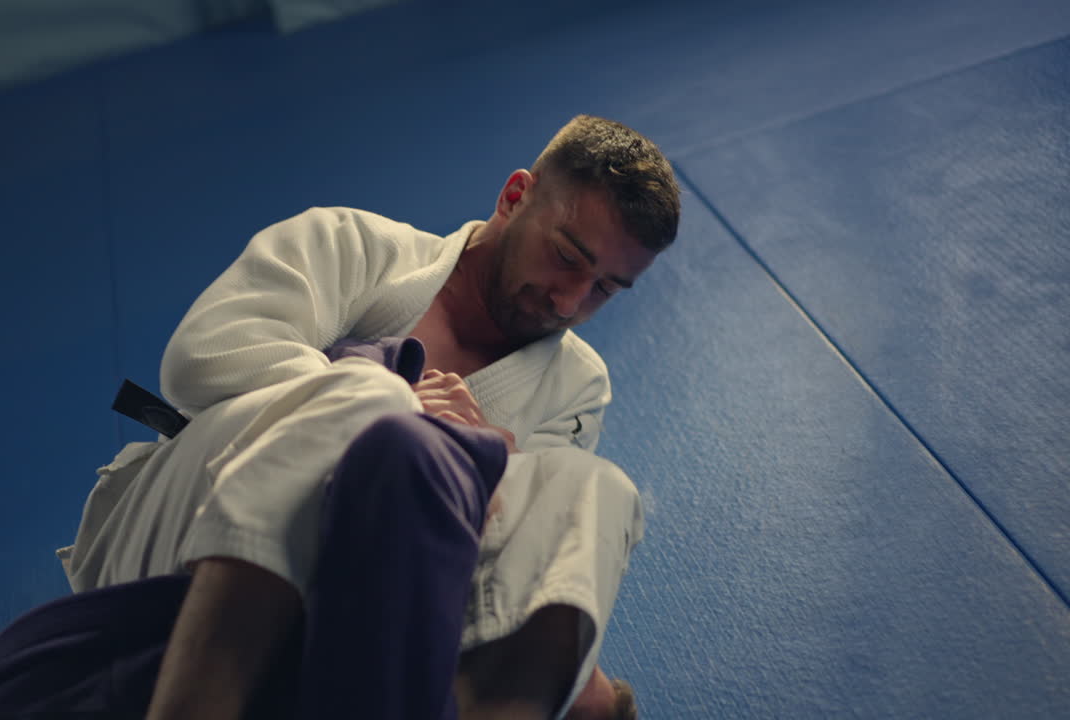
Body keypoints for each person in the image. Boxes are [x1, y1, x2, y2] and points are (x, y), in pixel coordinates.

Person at [56, 114, 681, 719]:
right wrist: (401, 408)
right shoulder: (352, 245)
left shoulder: (577, 387)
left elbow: (512, 562)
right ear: (515, 197)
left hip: (354, 604)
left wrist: (495, 461)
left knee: (597, 491)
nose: (570, 302)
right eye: (567, 257)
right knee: (373, 400)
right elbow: (200, 361)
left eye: (605, 289)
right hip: (177, 537)